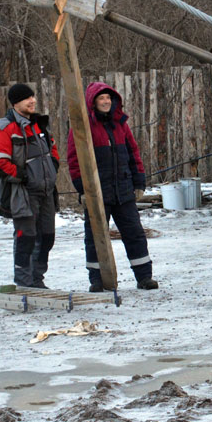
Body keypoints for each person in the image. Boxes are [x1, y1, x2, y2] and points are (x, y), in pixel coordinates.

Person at [67, 82, 158, 292]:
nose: (106, 102)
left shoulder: (121, 124)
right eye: (101, 98)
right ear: (93, 102)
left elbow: (133, 153)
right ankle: (97, 280)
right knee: (95, 237)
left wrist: (139, 182)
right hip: (96, 192)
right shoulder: (83, 126)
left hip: (123, 190)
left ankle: (144, 277)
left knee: (135, 233)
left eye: (108, 98)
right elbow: (74, 159)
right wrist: (82, 189)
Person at [0, 83, 60, 289]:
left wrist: (53, 167)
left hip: (46, 191)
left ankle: (37, 280)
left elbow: (52, 150)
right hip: (23, 193)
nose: (32, 101)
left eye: (33, 97)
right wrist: (24, 177)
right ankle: (24, 282)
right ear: (15, 103)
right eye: (27, 98)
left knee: (47, 237)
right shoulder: (6, 127)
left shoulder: (39, 124)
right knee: (26, 238)